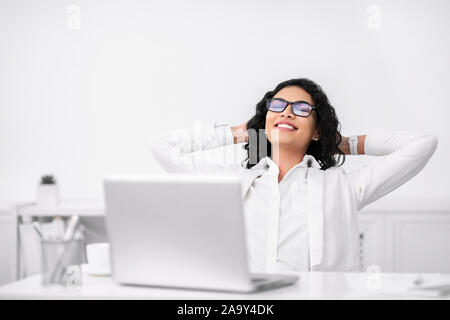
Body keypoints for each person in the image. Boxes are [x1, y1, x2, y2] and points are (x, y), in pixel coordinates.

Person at [150, 78, 438, 273]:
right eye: (277, 106)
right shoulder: (231, 182)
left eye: (301, 109)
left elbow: (422, 144)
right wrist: (240, 132)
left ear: (317, 130)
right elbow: (162, 147)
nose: (287, 113)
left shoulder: (344, 187)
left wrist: (343, 143)